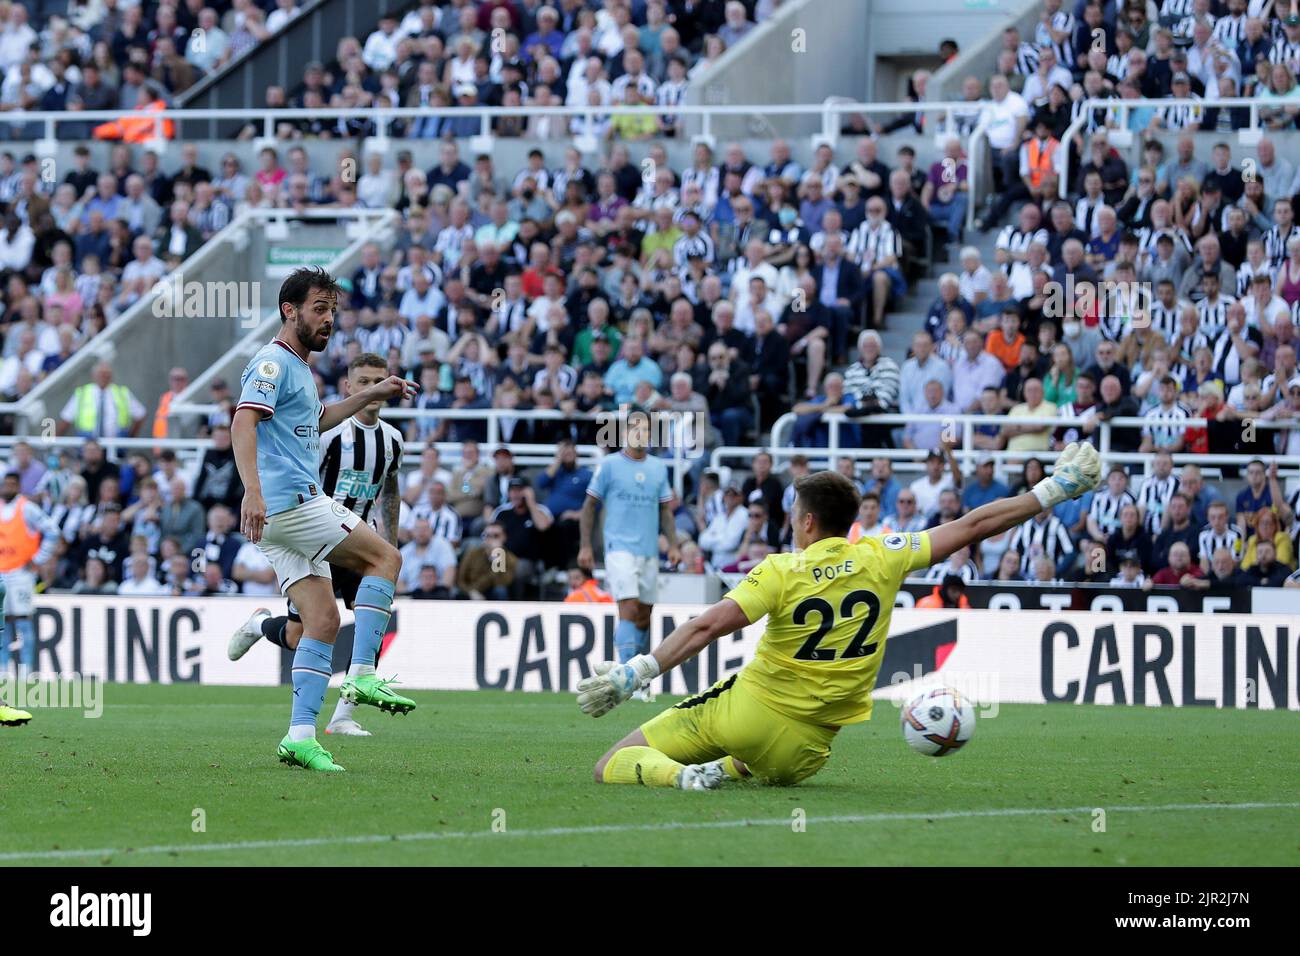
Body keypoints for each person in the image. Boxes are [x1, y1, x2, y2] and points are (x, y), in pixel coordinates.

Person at [577, 443, 1101, 789]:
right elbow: (972, 527)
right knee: (749, 761)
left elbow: (706, 627)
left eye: (791, 518)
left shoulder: (781, 569)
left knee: (610, 765)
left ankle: (679, 778)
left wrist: (636, 672)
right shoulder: (885, 554)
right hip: (806, 753)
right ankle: (719, 769)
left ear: (807, 521)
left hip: (748, 714)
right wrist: (1053, 489)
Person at [230, 268, 417, 773]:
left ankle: (300, 736)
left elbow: (315, 422)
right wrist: (252, 490)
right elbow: (242, 420)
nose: (328, 319)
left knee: (323, 620)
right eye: (319, 308)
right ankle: (361, 673)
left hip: (278, 517)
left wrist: (370, 395)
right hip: (290, 503)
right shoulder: (272, 362)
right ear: (289, 310)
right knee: (386, 557)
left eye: (332, 310)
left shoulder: (298, 368)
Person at [578, 411, 679, 701]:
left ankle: (640, 678)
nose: (641, 434)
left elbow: (665, 511)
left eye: (646, 429)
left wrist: (672, 544)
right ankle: (627, 678)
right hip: (619, 548)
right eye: (636, 428)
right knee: (630, 608)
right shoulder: (609, 465)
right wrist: (586, 546)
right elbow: (589, 506)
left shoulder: (659, 468)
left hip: (648, 550)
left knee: (645, 615)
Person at [0, 470, 60, 676]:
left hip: (20, 573)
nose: (7, 488)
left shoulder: (27, 508)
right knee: (4, 622)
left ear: (18, 486)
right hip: (1, 573)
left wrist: (38, 559)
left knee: (23, 620)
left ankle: (26, 670)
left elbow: (52, 530)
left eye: (11, 484)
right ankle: (3, 669)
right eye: (4, 484)